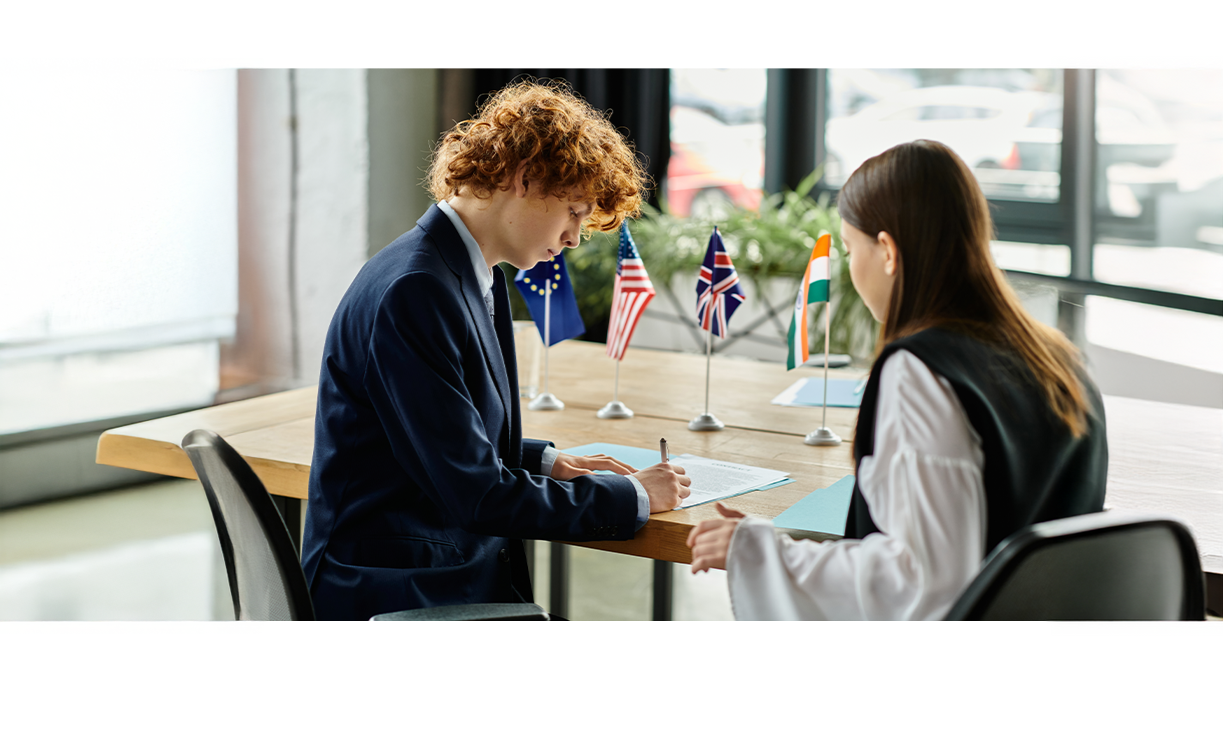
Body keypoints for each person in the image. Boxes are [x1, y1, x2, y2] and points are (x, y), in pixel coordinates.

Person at [301, 80, 690, 620]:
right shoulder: (416, 289)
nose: (577, 236)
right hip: (397, 587)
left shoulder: (461, 272)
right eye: (575, 211)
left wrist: (548, 462)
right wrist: (635, 497)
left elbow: (444, 439)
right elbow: (476, 494)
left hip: (433, 563)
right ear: (525, 179)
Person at [686, 139, 1108, 620]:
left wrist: (761, 551)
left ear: (887, 250)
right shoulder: (1061, 359)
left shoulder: (919, 372)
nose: (850, 267)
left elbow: (921, 583)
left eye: (849, 249)